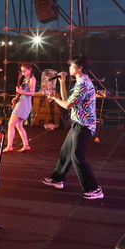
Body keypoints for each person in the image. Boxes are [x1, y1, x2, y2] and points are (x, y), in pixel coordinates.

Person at [43, 56, 104, 200]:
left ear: (79, 68)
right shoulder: (79, 82)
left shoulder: (84, 84)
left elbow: (67, 105)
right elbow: (68, 100)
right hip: (78, 123)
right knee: (66, 152)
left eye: (71, 66)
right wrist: (62, 83)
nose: (69, 68)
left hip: (84, 125)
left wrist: (54, 98)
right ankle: (58, 179)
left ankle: (94, 189)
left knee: (77, 157)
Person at [5, 62, 36, 153]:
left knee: (11, 124)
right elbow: (23, 92)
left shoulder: (32, 79)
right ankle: (26, 146)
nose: (23, 72)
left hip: (24, 103)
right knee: (19, 126)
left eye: (25, 70)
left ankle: (9, 146)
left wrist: (21, 92)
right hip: (21, 102)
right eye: (22, 71)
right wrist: (16, 96)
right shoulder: (26, 79)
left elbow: (32, 93)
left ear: (30, 69)